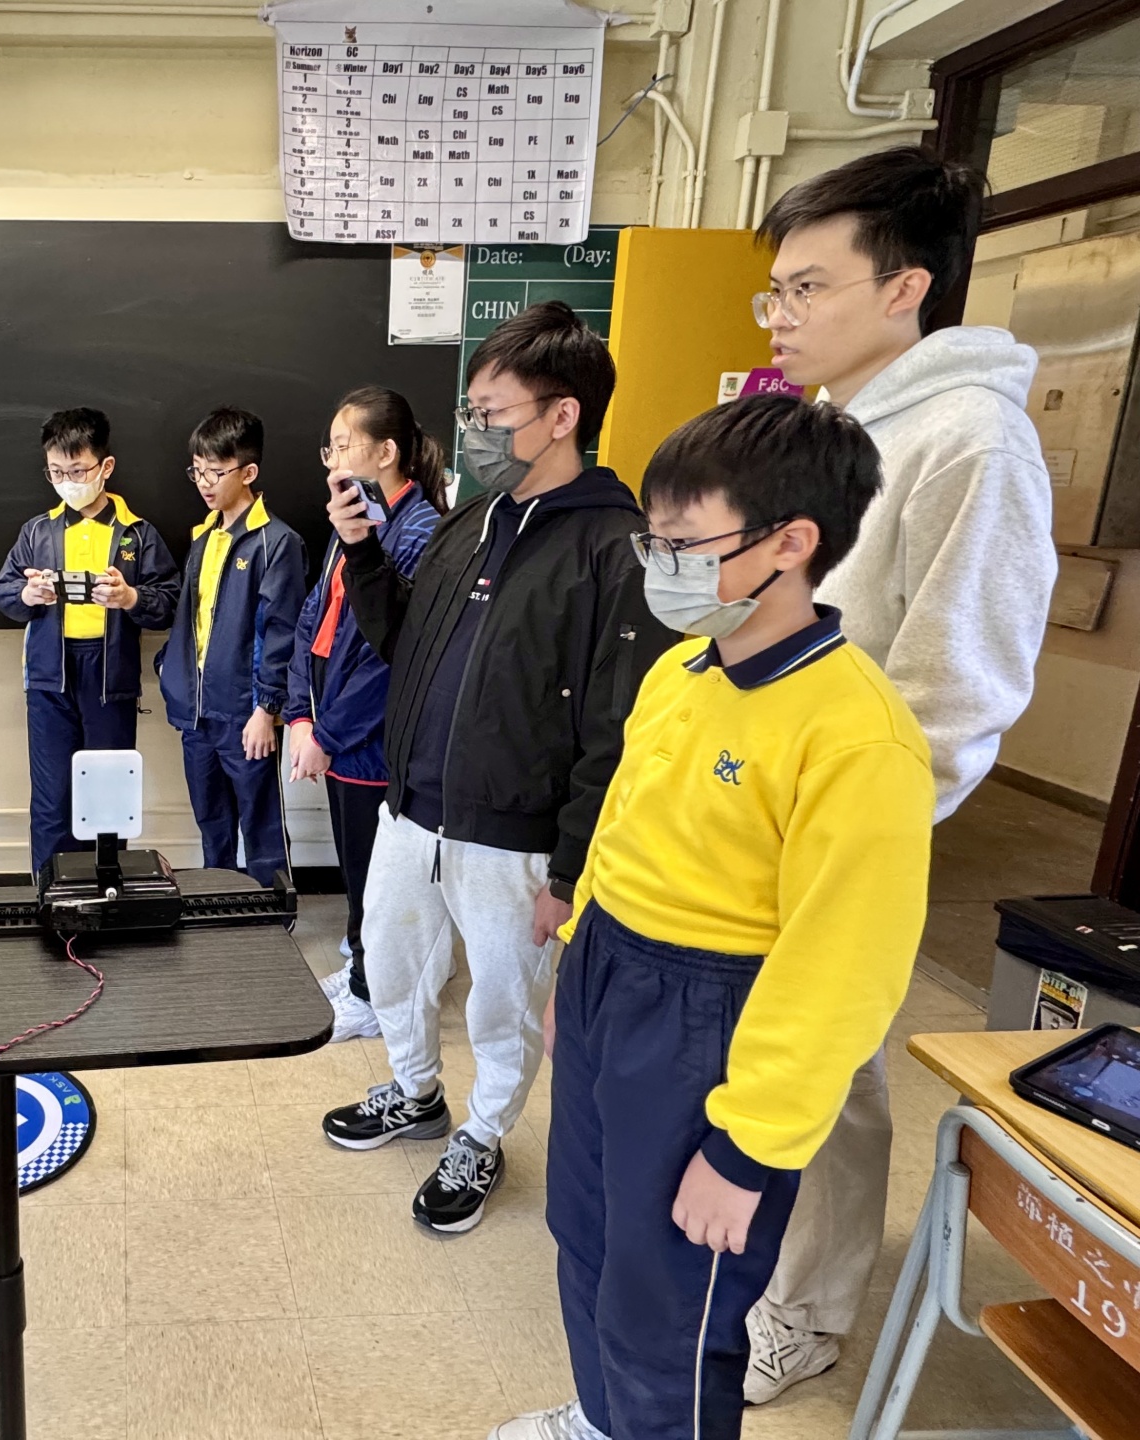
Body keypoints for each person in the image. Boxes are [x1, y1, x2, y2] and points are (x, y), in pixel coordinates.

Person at [489, 394, 935, 1440]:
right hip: (609, 978)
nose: (662, 566)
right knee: (587, 1237)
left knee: (673, 1300)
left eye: (686, 544)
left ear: (791, 543)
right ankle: (605, 1421)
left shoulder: (857, 735)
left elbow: (843, 970)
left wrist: (749, 1152)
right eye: (655, 541)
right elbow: (623, 834)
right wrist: (571, 976)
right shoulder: (679, 674)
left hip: (708, 1019)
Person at [742, 147, 1057, 1403]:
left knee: (831, 1067)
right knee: (763, 1052)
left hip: (845, 830)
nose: (779, 316)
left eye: (806, 287)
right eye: (775, 290)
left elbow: (962, 684)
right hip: (755, 809)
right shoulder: (822, 430)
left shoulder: (974, 437)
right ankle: (755, 1263)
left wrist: (856, 835)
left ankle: (807, 1310)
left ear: (904, 286)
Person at [319, 301, 673, 1235]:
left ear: (563, 415)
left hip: (515, 836)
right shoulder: (471, 521)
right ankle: (414, 1092)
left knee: (504, 1004)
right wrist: (361, 554)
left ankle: (482, 1134)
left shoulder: (615, 548)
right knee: (393, 961)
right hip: (411, 809)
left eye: (493, 413)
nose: (474, 432)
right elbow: (402, 642)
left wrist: (569, 871)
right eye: (471, 412)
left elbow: (616, 730)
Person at [285, 387, 444, 1043]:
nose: (332, 459)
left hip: (373, 743)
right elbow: (313, 618)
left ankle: (374, 996)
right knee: (357, 868)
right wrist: (299, 714)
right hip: (336, 734)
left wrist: (326, 732)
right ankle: (361, 967)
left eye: (343, 445)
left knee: (380, 878)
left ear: (386, 452)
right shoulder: (352, 521)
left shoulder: (420, 532)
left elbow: (390, 661)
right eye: (329, 447)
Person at [0, 408, 180, 876]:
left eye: (77, 471)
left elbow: (169, 601)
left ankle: (105, 890)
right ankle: (51, 892)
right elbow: (3, 592)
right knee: (52, 795)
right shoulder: (38, 531)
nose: (68, 482)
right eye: (56, 472)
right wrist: (27, 595)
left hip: (109, 676)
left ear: (105, 467)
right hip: (50, 676)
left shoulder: (136, 532)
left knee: (107, 794)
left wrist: (130, 597)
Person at [158, 408, 308, 885]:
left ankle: (274, 916)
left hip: (246, 715)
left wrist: (267, 709)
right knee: (212, 825)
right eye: (197, 471)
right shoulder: (204, 537)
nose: (204, 483)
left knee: (261, 827)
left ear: (248, 472)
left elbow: (282, 632)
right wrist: (170, 672)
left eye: (216, 472)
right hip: (197, 714)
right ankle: (218, 908)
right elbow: (193, 621)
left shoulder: (276, 542)